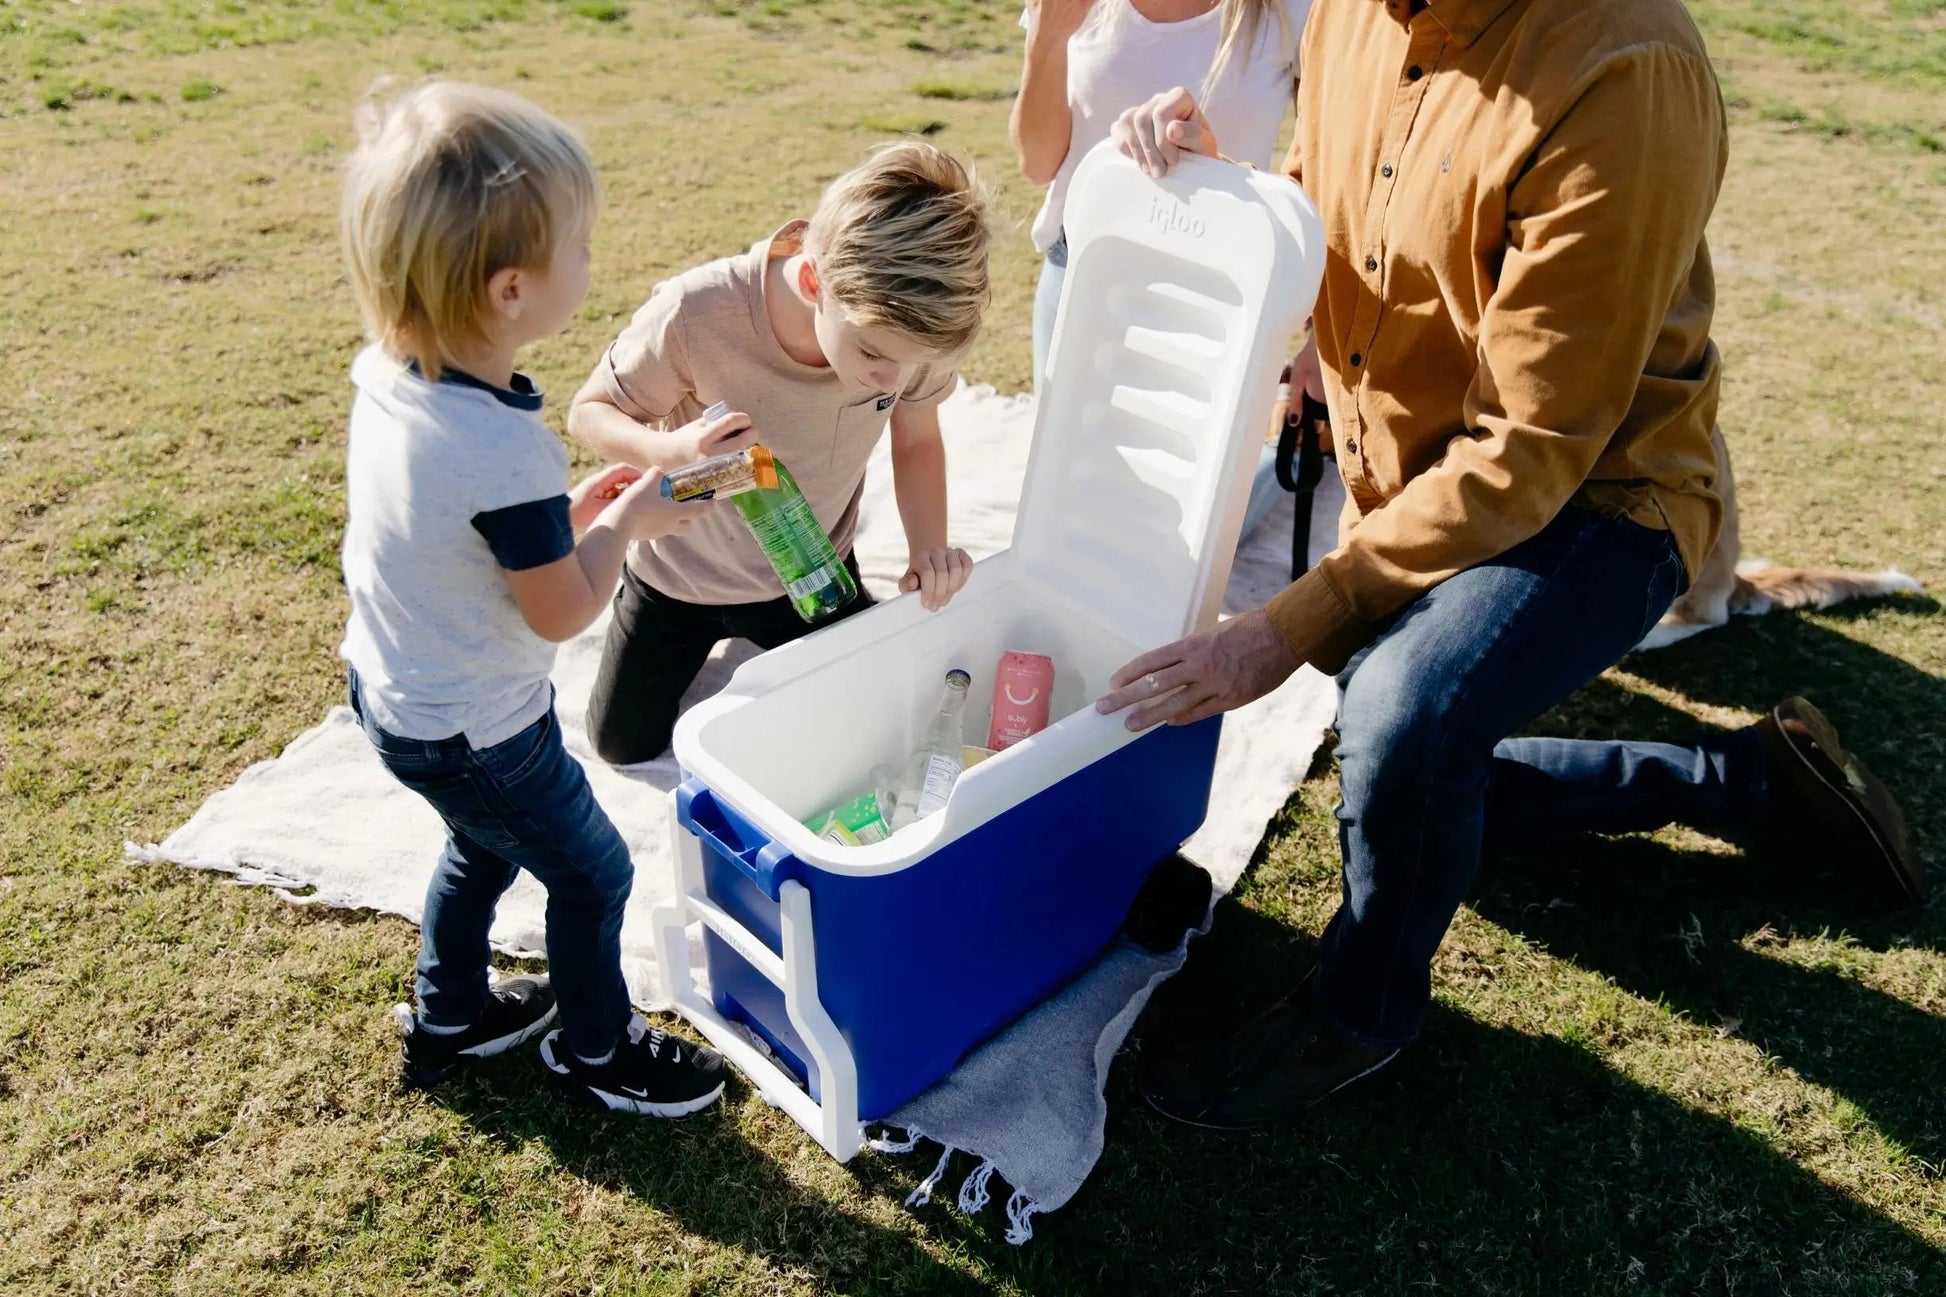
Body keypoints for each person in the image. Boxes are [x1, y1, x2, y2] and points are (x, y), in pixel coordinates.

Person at [1097, 0, 1928, 1130]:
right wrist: (1233, 203)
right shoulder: (1351, 11)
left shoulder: (1624, 66)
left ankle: (1359, 1012)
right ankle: (1749, 783)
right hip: (1417, 484)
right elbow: (1321, 187)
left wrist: (1281, 627)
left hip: (1598, 500)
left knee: (1401, 716)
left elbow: (1530, 451)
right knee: (1416, 784)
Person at [338, 80, 729, 1116]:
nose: (593, 266)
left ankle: (451, 1012)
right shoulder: (499, 446)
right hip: (480, 725)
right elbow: (557, 612)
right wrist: (619, 527)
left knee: (481, 843)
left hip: (398, 694)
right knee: (593, 874)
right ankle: (598, 1049)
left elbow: (453, 527)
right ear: (511, 290)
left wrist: (557, 515)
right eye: (583, 247)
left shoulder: (393, 374)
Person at [567, 142, 992, 765]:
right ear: (816, 282)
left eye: (911, 367)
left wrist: (928, 548)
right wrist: (668, 448)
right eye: (872, 356)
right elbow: (589, 411)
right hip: (678, 578)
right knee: (621, 746)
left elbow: (918, 437)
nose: (891, 383)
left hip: (814, 572)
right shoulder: (697, 310)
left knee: (880, 727)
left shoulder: (912, 340)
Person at [1012, 0, 1311, 537]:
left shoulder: (1290, 12)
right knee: (1064, 506)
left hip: (1218, 302)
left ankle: (1271, 452)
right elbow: (1037, 164)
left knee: (1181, 532)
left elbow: (1327, 166)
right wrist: (1046, 40)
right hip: (1084, 275)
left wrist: (1318, 337)